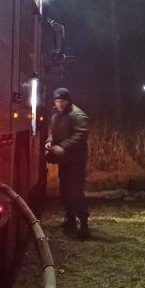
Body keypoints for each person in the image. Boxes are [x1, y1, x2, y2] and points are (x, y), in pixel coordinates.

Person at [46, 87, 91, 238]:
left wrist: (62, 147)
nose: (60, 104)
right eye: (57, 101)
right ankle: (70, 219)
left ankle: (84, 225)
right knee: (65, 190)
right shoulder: (56, 115)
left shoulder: (77, 114)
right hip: (64, 160)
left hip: (76, 160)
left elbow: (81, 134)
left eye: (63, 101)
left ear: (68, 100)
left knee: (76, 191)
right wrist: (49, 142)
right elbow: (52, 133)